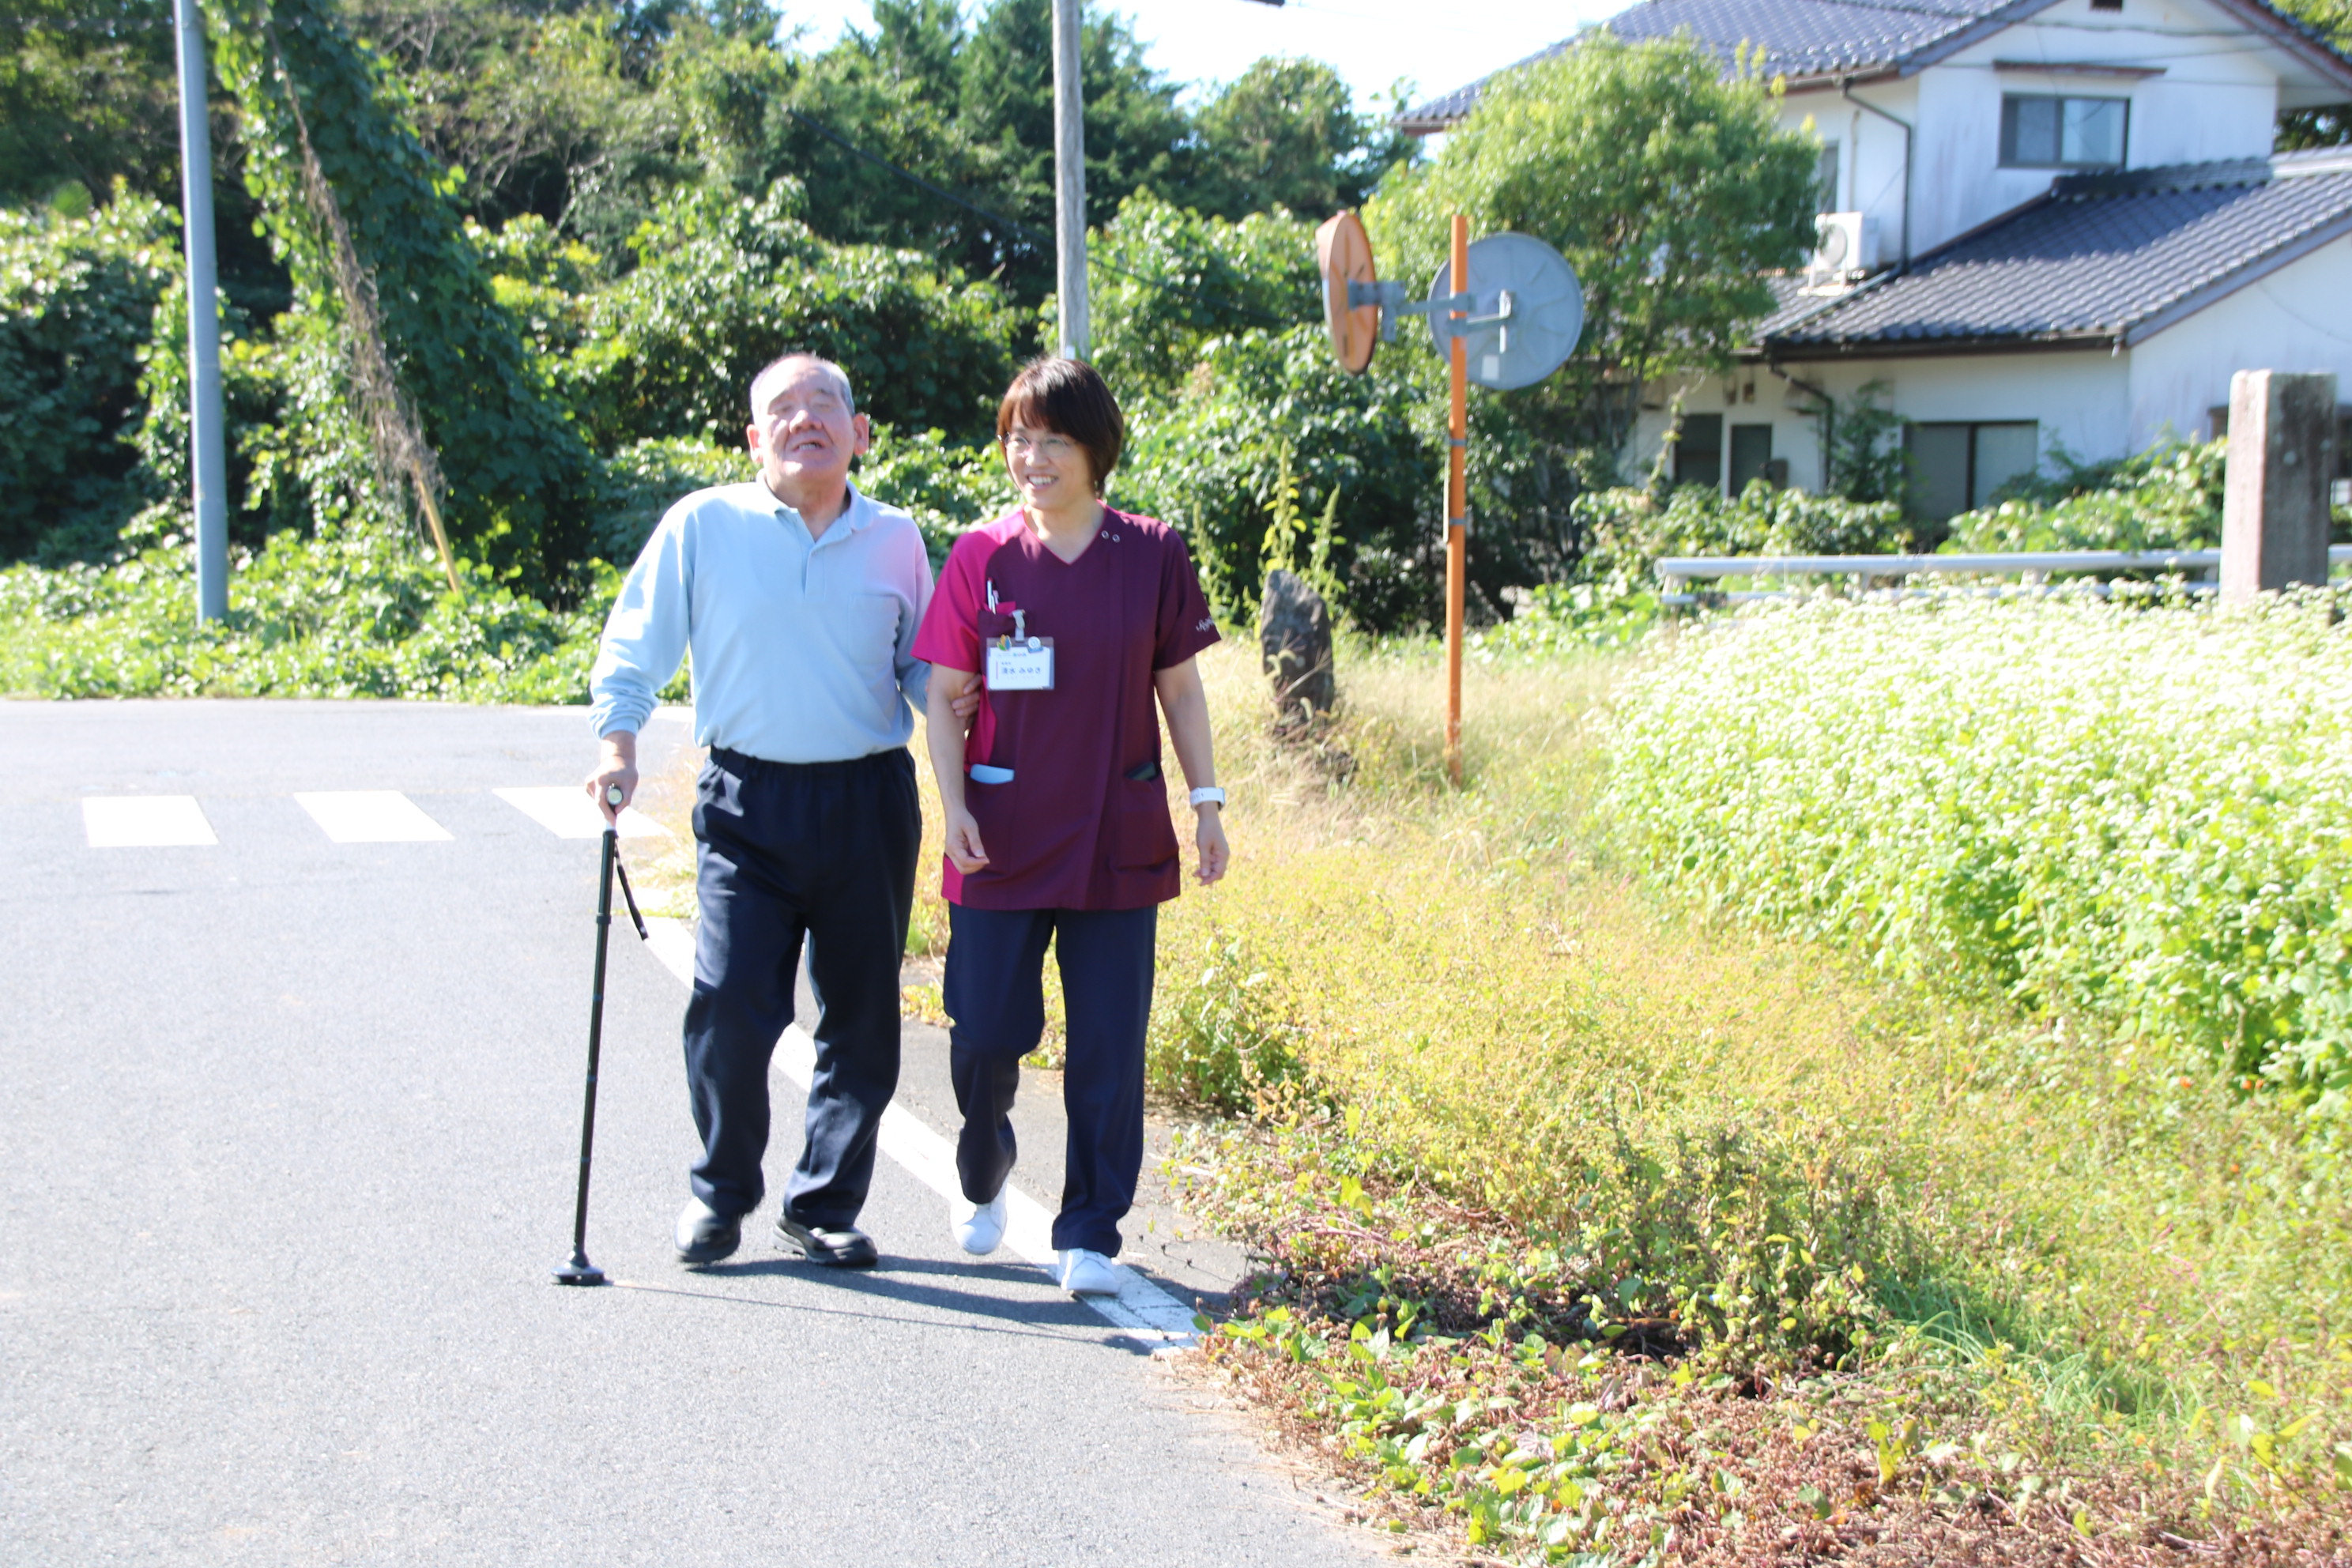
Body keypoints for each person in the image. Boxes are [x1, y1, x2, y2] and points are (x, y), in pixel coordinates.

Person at [585, 352, 946, 1270]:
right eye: (783, 407)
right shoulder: (703, 525)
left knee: (862, 1019)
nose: (804, 418)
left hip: (868, 800)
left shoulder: (897, 537)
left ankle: (823, 1205)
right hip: (747, 801)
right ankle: (721, 1192)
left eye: (825, 403)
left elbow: (920, 667)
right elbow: (633, 646)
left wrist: (973, 714)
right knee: (729, 1004)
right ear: (755, 438)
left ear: (860, 433)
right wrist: (617, 745)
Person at [912, 356, 1229, 1298]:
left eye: (1053, 439)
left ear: (1096, 450)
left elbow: (1181, 688)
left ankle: (1090, 1229)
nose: (1032, 457)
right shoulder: (981, 557)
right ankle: (983, 1163)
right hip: (1000, 832)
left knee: (1108, 1046)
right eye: (1019, 438)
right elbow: (943, 695)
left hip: (1116, 830)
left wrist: (1207, 802)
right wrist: (954, 806)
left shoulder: (1152, 553)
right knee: (982, 1034)